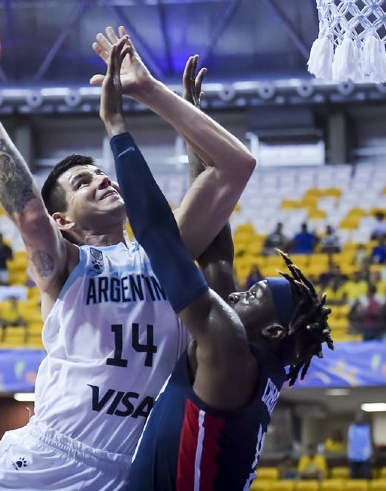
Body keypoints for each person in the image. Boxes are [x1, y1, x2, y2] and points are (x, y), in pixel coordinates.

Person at [0, 25, 255, 489]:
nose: (102, 179)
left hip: (132, 470)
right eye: (82, 182)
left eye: (101, 172)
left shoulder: (163, 251)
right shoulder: (66, 267)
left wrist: (154, 95)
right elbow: (29, 214)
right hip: (51, 454)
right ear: (64, 221)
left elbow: (234, 166)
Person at [97, 39, 333, 490]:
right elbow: (215, 251)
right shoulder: (254, 360)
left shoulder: (228, 350)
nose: (240, 294)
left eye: (253, 295)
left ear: (276, 331)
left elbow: (160, 238)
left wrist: (116, 126)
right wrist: (192, 124)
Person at [347, 410, 373, 479]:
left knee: (366, 475)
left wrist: (371, 454)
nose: (359, 418)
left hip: (365, 456)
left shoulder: (367, 427)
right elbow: (350, 442)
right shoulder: (352, 428)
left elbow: (369, 441)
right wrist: (349, 454)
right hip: (353, 456)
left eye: (361, 417)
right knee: (353, 476)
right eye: (358, 416)